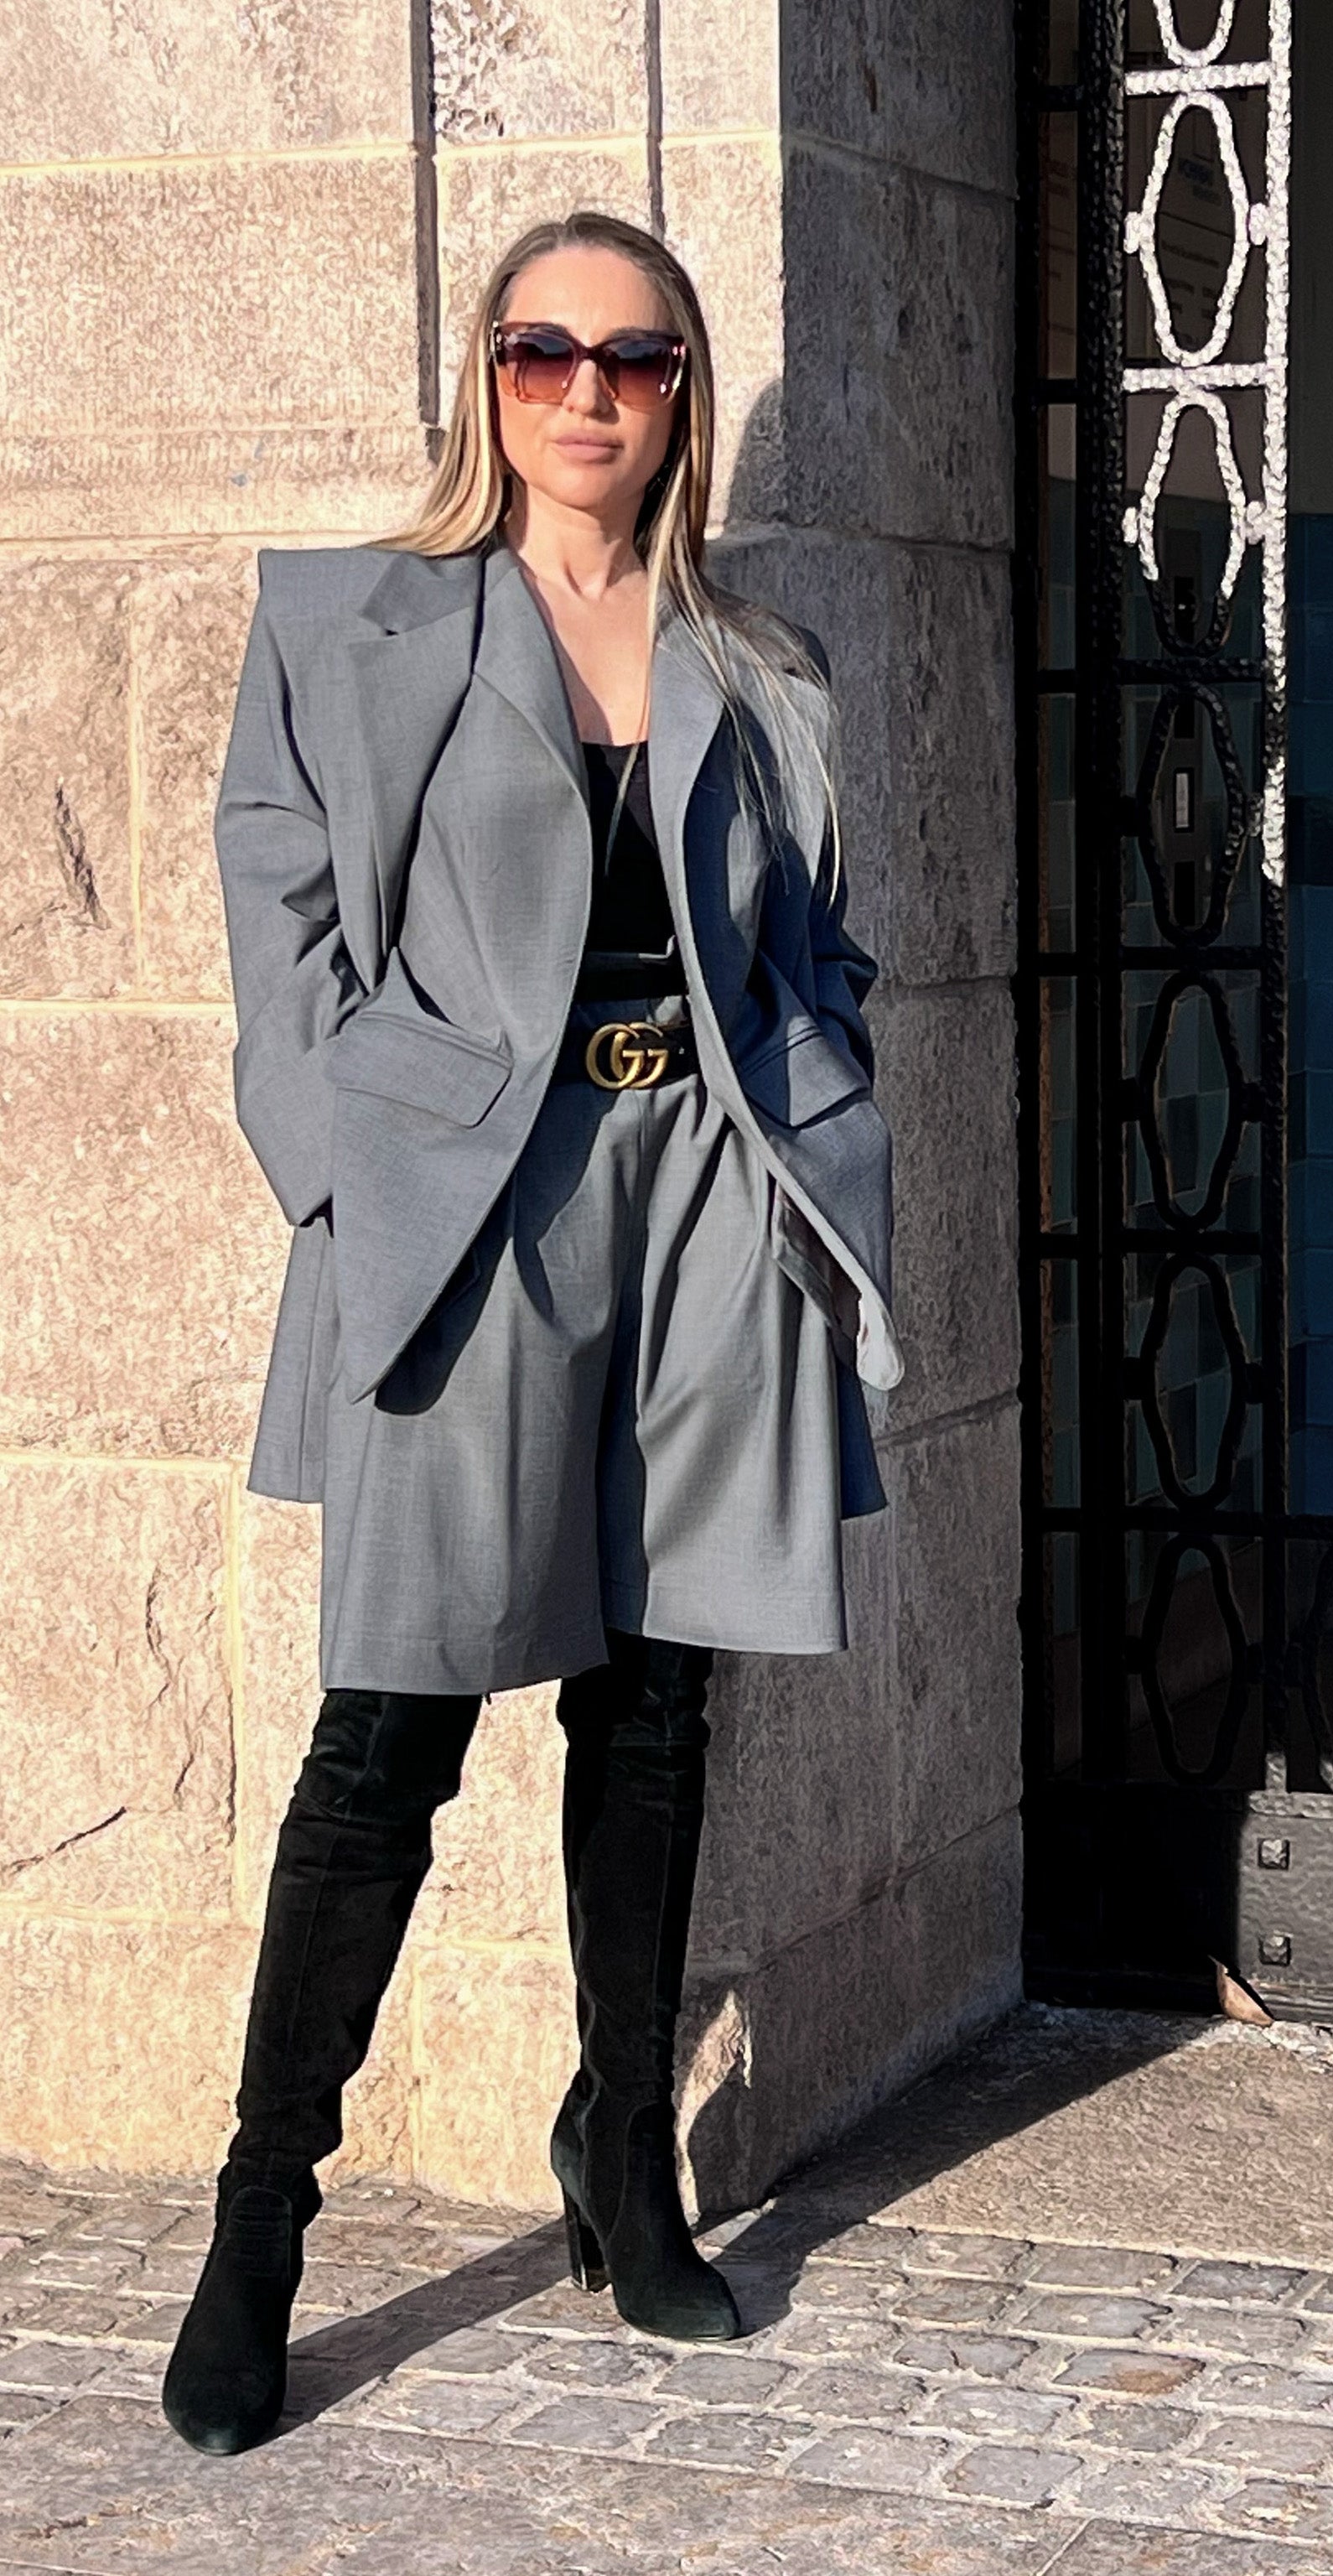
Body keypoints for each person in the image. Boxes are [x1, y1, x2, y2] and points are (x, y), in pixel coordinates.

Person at [161, 207, 900, 2457]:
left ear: (686, 389)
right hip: (463, 1208)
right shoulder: (353, 620)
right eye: (543, 348)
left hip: (696, 1184)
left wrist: (823, 1107)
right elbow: (273, 909)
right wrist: (337, 1163)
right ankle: (259, 2227)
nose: (588, 391)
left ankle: (620, 2161)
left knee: (654, 1701)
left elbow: (817, 947)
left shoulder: (757, 658)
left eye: (639, 358)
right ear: (485, 378)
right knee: (385, 1725)